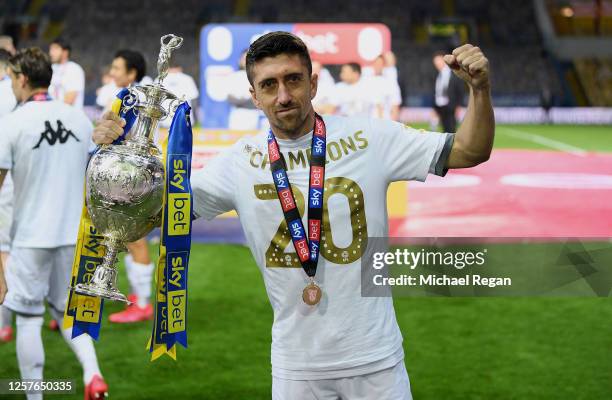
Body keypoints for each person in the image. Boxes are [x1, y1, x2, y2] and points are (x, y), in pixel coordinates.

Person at [90, 32, 494, 399]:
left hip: (375, 360)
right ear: (254, 94)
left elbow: (469, 150)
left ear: (313, 83)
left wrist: (479, 89)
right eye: (269, 85)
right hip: (295, 366)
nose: (283, 95)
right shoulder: (239, 162)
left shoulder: (371, 138)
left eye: (293, 80)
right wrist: (118, 159)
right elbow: (153, 216)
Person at [0, 47, 108, 399]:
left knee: (29, 319)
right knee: (68, 312)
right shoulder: (78, 119)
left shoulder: (12, 122)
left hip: (31, 236)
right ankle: (93, 374)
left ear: (22, 79)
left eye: (11, 77)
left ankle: (35, 396)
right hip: (73, 235)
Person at [106, 49, 156, 323]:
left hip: (135, 177)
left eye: (116, 67)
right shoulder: (133, 97)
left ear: (131, 73)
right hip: (129, 176)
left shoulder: (137, 100)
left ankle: (143, 304)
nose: (112, 72)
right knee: (126, 238)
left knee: (135, 240)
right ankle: (137, 297)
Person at [0, 48, 16, 343]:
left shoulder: (4, 92)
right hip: (22, 175)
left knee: (3, 250)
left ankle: (4, 320)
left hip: (5, 175)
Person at [433, 50, 466, 132]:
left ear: (443, 60)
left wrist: (459, 105)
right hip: (440, 105)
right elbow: (437, 91)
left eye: (438, 61)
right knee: (444, 128)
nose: (436, 64)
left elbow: (460, 90)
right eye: (435, 62)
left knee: (451, 128)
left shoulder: (453, 73)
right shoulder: (437, 75)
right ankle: (447, 143)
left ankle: (452, 144)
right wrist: (435, 107)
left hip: (451, 105)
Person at [159, 63, 199, 128]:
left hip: (164, 122)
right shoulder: (188, 79)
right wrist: (196, 119)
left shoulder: (160, 79)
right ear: (180, 68)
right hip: (184, 121)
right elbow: (194, 100)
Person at [48, 38, 86, 108]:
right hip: (52, 114)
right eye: (50, 49)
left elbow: (69, 100)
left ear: (65, 52)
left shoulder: (74, 69)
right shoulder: (50, 68)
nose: (51, 53)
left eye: (55, 49)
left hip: (69, 116)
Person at [363, 54, 402, 121]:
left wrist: (393, 123)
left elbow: (395, 105)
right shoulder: (366, 81)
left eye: (380, 64)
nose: (378, 66)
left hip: (385, 121)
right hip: (368, 120)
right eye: (376, 63)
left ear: (384, 66)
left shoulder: (390, 82)